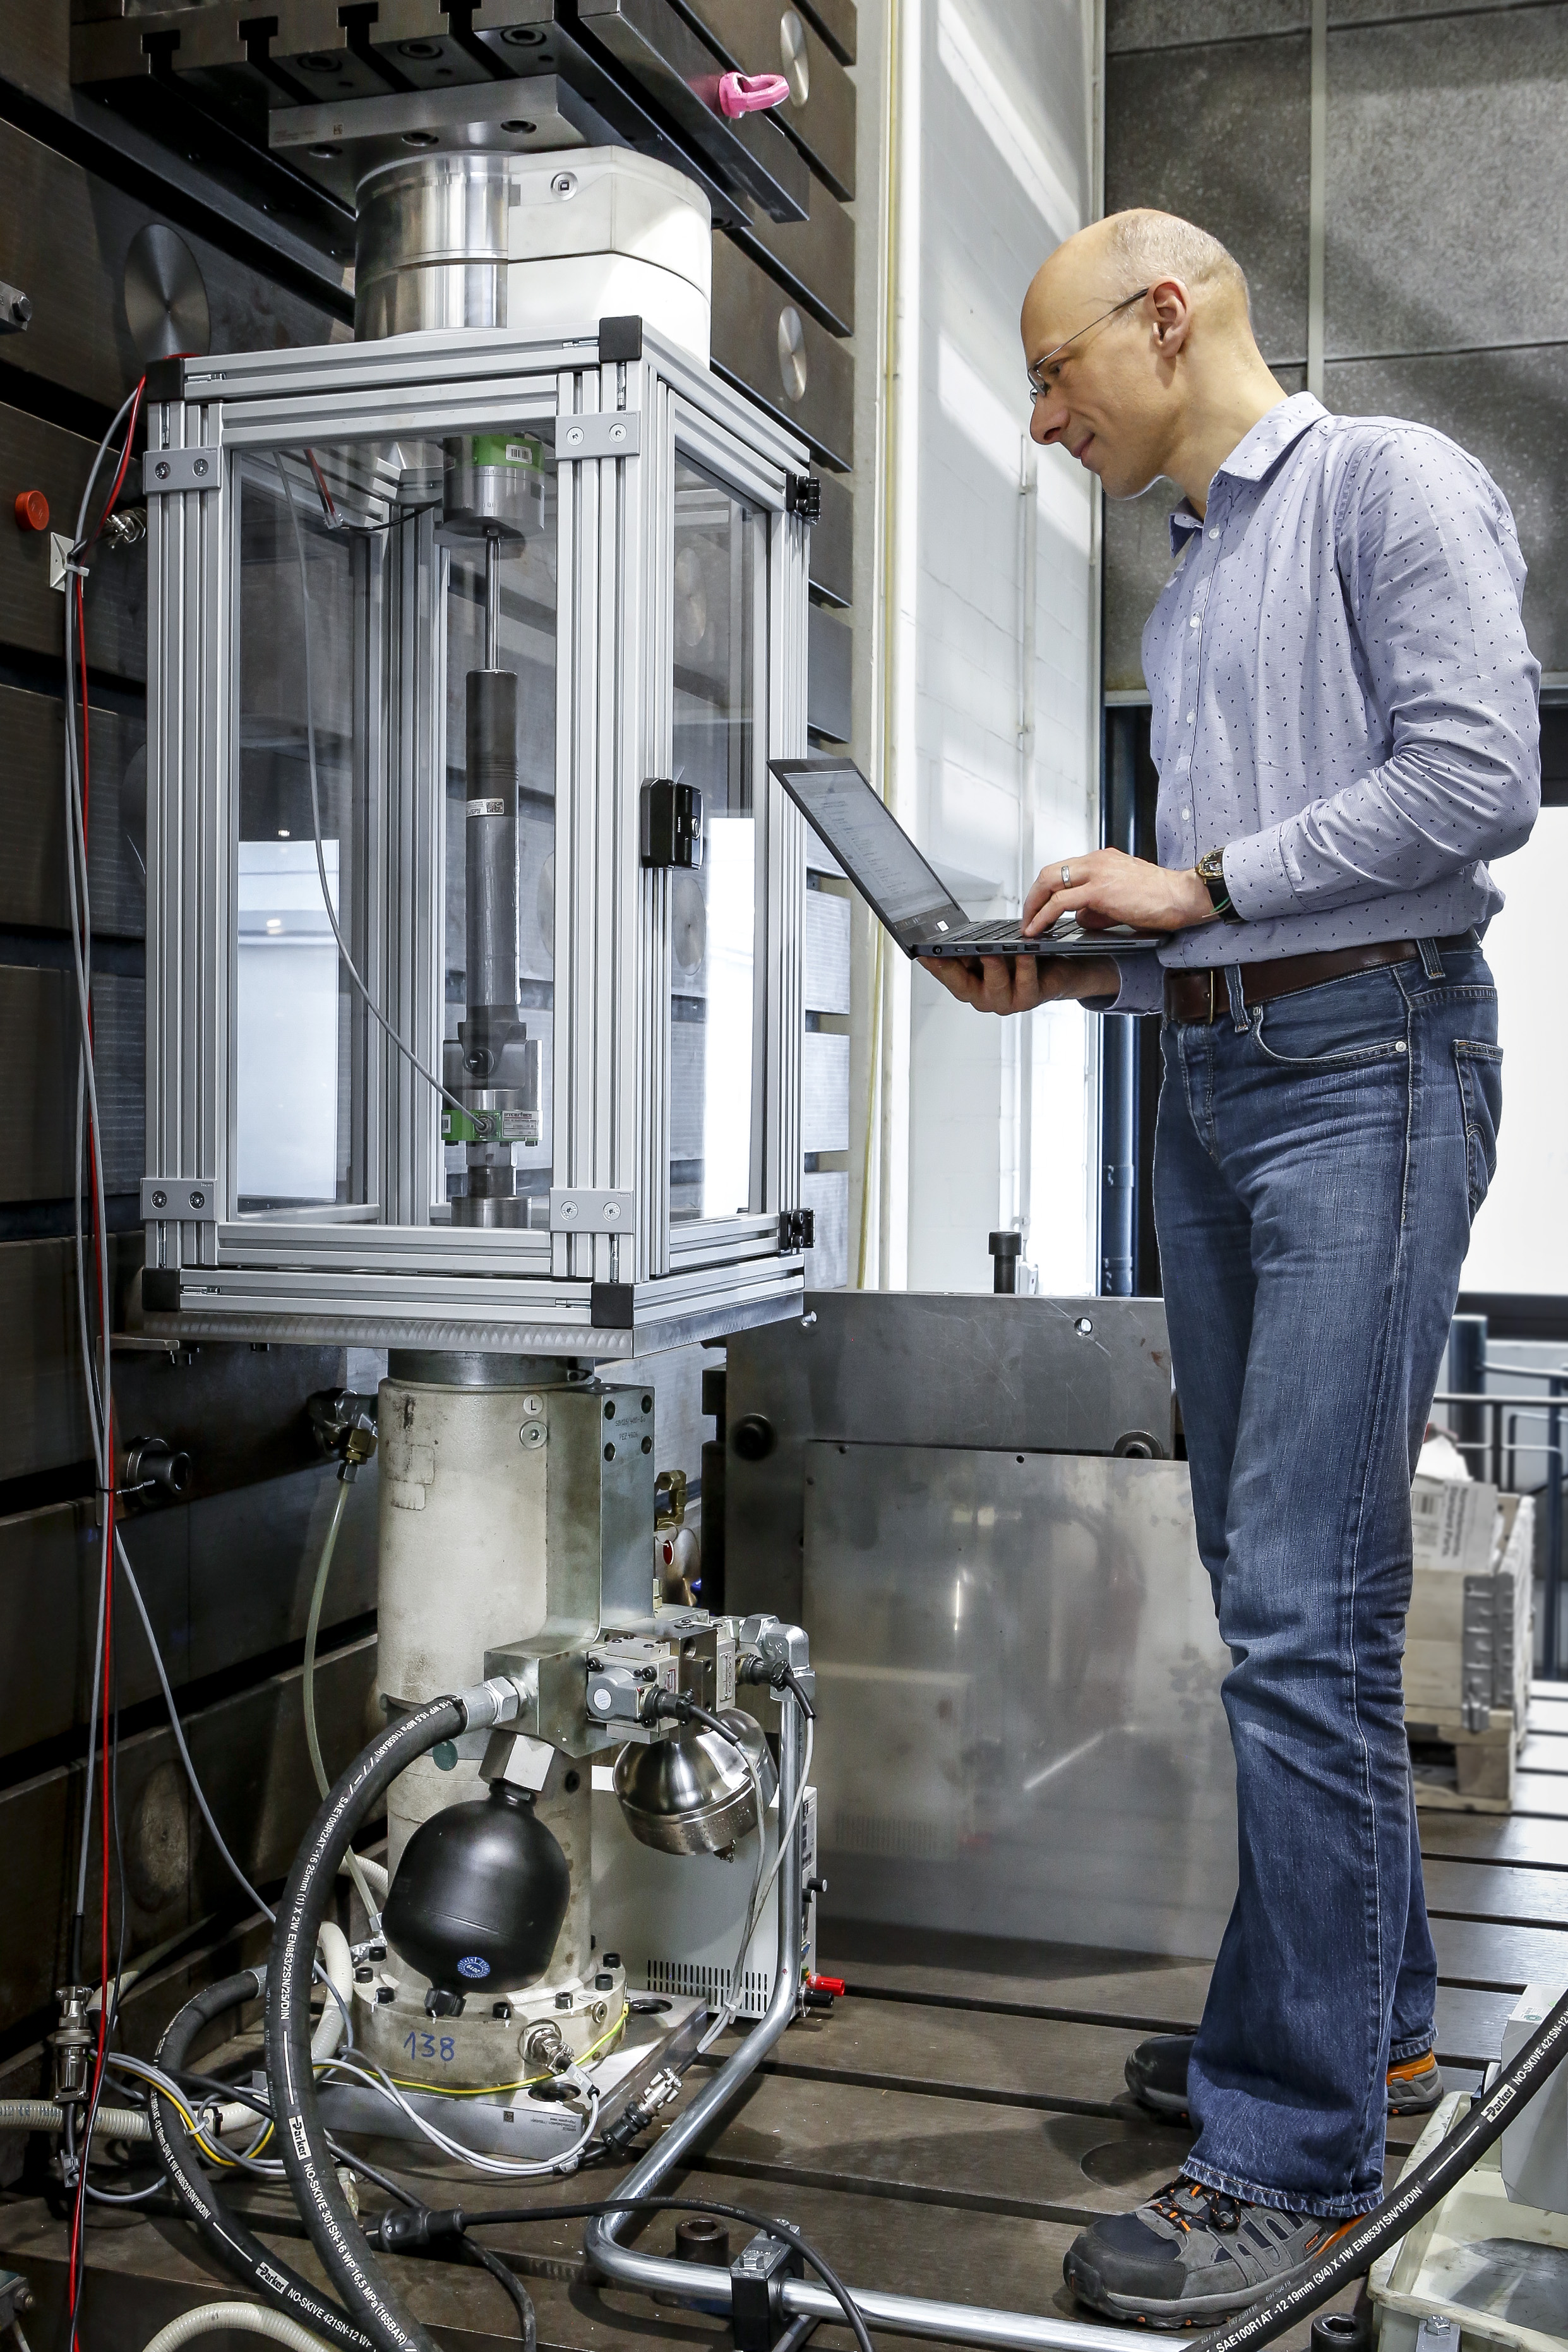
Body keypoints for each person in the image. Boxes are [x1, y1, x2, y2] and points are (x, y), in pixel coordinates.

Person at [924, 208, 1539, 2326]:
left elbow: (1478, 780)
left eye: (1052, 367)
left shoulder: (1386, 485)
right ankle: (1343, 2027)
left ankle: (1294, 2156)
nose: (1039, 414)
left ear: (1162, 316)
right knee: (1271, 1599)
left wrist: (1192, 879)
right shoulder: (1190, 588)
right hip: (1214, 1080)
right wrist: (1082, 971)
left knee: (1304, 1608)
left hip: (1367, 1074)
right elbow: (1222, 911)